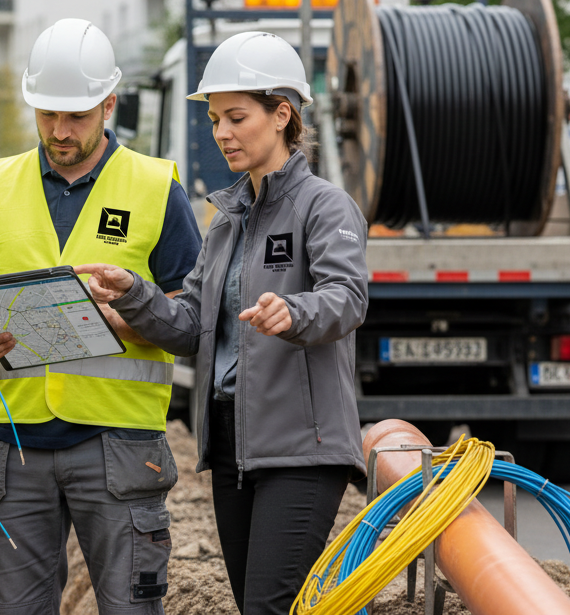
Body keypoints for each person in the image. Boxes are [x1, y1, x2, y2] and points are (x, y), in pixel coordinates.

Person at [75, 31, 369, 615]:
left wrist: (295, 311)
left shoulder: (324, 206)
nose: (221, 133)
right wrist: (134, 295)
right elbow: (191, 327)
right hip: (234, 445)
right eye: (215, 120)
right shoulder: (226, 220)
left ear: (282, 113)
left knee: (269, 605)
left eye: (236, 117)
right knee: (253, 603)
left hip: (302, 449)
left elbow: (348, 297)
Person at [0, 18, 203, 615]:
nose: (60, 131)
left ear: (109, 104)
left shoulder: (154, 187)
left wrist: (124, 316)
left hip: (119, 448)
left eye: (77, 116)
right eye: (47, 115)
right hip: (15, 446)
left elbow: (190, 319)